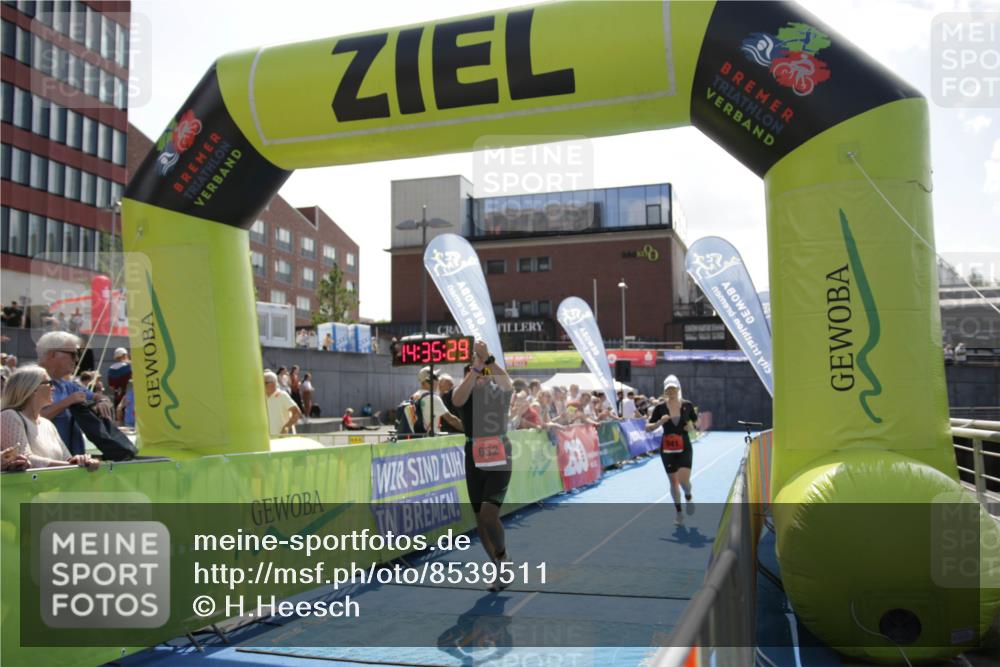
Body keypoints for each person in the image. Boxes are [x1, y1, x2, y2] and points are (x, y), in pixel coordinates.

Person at [452, 340, 514, 589]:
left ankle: (502, 554)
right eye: (476, 373)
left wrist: (488, 360)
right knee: (480, 520)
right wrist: (474, 369)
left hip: (499, 454)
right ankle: (499, 566)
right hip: (473, 456)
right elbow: (456, 400)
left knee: (490, 513)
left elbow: (507, 383)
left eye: (485, 374)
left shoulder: (499, 393)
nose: (481, 377)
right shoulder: (466, 394)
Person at [1, 365, 99, 470]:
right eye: (49, 383)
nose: (54, 388)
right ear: (32, 388)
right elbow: (23, 459)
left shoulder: (47, 424)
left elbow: (66, 459)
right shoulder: (9, 416)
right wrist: (74, 466)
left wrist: (80, 460)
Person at [36, 331, 113, 455]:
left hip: (73, 461)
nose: (77, 359)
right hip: (46, 464)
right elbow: (32, 419)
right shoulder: (28, 381)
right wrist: (68, 402)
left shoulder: (67, 385)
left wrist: (102, 402)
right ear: (52, 354)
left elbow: (100, 397)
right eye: (73, 354)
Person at [646, 375, 698, 525]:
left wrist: (692, 427)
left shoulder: (687, 405)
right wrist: (659, 423)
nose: (671, 391)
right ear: (665, 391)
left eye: (673, 388)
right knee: (673, 482)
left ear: (678, 389)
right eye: (668, 389)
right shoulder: (660, 407)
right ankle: (679, 513)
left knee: (684, 481)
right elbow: (647, 428)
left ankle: (688, 494)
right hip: (667, 448)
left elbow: (695, 423)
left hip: (684, 446)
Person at [416, 367, 463, 435]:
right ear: (428, 381)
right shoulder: (433, 398)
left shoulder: (414, 396)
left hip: (417, 439)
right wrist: (468, 429)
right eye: (435, 378)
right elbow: (451, 420)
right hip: (430, 440)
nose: (438, 380)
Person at [264, 371, 301, 435]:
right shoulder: (260, 396)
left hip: (279, 438)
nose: (262, 385)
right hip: (263, 438)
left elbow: (296, 412)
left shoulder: (282, 395)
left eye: (265, 383)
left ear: (273, 383)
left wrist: (286, 427)